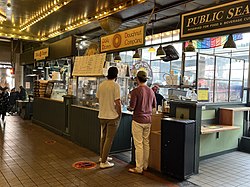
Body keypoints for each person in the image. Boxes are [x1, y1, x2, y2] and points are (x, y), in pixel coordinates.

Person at [127, 71, 156, 174]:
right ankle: (145, 165)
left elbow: (132, 107)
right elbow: (154, 106)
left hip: (138, 120)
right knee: (146, 143)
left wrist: (128, 107)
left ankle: (138, 168)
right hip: (148, 120)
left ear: (137, 79)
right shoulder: (151, 91)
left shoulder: (135, 91)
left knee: (138, 145)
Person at [96, 66, 121, 169]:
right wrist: (119, 113)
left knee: (103, 137)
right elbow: (117, 102)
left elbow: (97, 98)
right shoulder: (115, 85)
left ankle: (102, 156)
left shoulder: (101, 85)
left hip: (102, 115)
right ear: (116, 75)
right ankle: (104, 162)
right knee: (109, 139)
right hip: (111, 116)